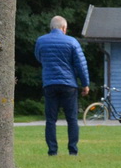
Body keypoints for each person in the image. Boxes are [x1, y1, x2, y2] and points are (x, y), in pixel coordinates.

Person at [35, 14, 90, 156]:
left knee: (50, 120)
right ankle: (73, 150)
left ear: (51, 27)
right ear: (64, 27)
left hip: (49, 84)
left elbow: (39, 57)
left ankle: (52, 151)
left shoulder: (41, 41)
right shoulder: (72, 42)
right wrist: (85, 84)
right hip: (68, 84)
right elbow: (80, 65)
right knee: (71, 119)